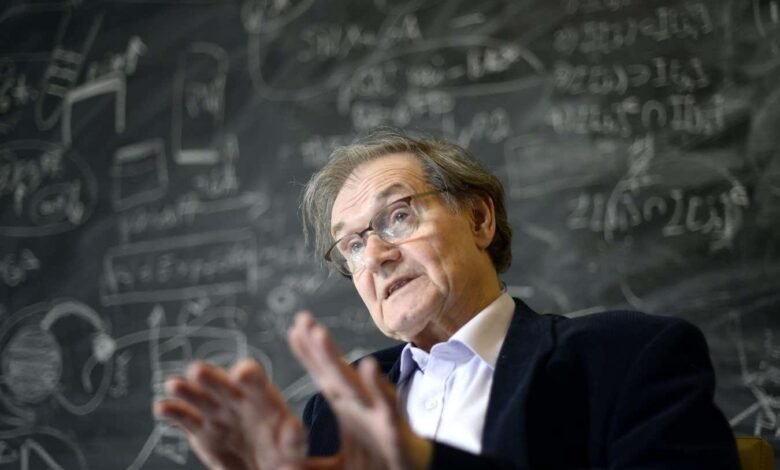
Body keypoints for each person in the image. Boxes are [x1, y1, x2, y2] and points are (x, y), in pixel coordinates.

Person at [154, 130, 740, 469]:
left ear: (480, 219)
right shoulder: (332, 413)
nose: (375, 255)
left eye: (398, 216)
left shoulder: (624, 359)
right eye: (351, 245)